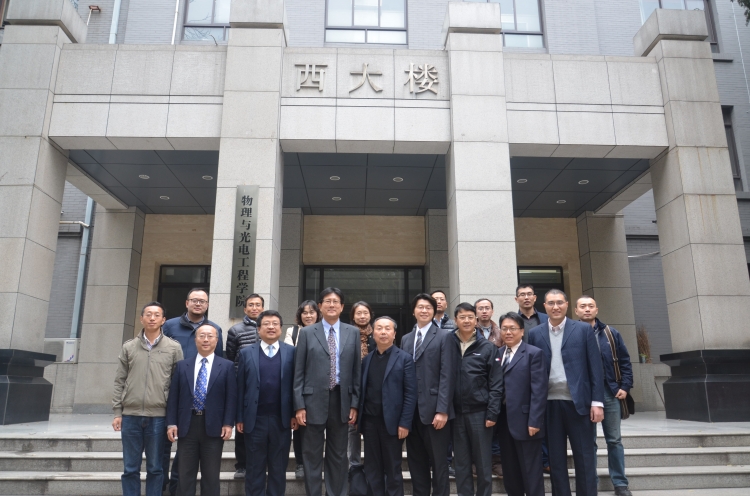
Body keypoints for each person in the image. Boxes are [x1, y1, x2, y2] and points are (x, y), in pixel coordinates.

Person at [527, 289, 604, 496]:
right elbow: (531, 372)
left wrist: (597, 402)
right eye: (551, 303)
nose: (556, 307)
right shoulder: (535, 333)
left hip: (579, 404)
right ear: (544, 306)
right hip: (549, 404)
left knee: (584, 457)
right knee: (556, 459)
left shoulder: (583, 330)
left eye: (559, 302)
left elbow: (595, 367)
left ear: (567, 305)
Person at [293, 287, 362, 496]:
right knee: (312, 455)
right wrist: (299, 406)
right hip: (312, 401)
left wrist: (355, 404)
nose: (332, 305)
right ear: (320, 306)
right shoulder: (307, 332)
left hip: (342, 399)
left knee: (339, 455)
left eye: (336, 302)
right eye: (327, 301)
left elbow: (356, 371)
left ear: (342, 307)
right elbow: (298, 371)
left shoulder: (353, 332)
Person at [112, 302, 183, 496]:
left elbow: (178, 385)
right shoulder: (129, 347)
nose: (152, 318)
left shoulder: (174, 348)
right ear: (141, 318)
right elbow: (119, 380)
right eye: (148, 314)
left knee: (155, 468)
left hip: (159, 417)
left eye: (157, 315)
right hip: (131, 416)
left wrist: (173, 418)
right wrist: (118, 412)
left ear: (163, 320)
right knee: (130, 468)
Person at [162, 288, 223, 494]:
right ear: (187, 302)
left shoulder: (214, 329)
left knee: (207, 470)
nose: (198, 304)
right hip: (178, 394)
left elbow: (218, 365)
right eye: (194, 300)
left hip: (207, 409)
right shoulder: (170, 326)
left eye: (202, 301)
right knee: (180, 463)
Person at [166, 324, 236, 496]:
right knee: (185, 474)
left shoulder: (226, 366)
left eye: (210, 336)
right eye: (202, 336)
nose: (206, 339)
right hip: (187, 425)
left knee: (211, 476)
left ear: (216, 340)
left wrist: (228, 423)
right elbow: (174, 396)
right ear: (195, 339)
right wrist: (171, 423)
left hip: (214, 426)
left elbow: (231, 397)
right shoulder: (182, 365)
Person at [575, 296, 634, 496]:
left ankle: (620, 483)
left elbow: (624, 360)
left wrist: (625, 386)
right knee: (587, 442)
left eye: (590, 306)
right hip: (584, 394)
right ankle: (590, 481)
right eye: (583, 306)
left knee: (614, 440)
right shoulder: (572, 333)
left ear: (596, 310)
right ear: (576, 311)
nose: (587, 309)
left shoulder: (610, 333)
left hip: (610, 392)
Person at [400, 293, 456, 496]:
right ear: (413, 311)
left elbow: (447, 375)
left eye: (428, 308)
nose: (424, 311)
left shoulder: (444, 336)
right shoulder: (406, 339)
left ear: (434, 311)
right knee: (416, 463)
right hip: (411, 412)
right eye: (420, 307)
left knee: (439, 463)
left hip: (435, 412)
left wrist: (442, 410)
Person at [237, 310, 298, 496]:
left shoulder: (292, 352)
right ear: (258, 329)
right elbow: (240, 387)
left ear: (281, 328)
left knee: (278, 468)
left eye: (275, 324)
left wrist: (294, 413)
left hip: (282, 420)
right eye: (266, 324)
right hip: (255, 420)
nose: (271, 327)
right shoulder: (246, 353)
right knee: (254, 467)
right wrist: (239, 417)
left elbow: (296, 385)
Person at [359, 316, 416, 496]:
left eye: (387, 328)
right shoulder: (367, 360)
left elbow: (410, 394)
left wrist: (405, 423)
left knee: (393, 469)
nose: (383, 332)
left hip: (393, 424)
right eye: (379, 328)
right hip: (370, 423)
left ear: (394, 334)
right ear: (373, 333)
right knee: (372, 468)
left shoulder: (405, 358)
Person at [451, 302, 504, 496]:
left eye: (470, 317)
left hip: (480, 414)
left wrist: (492, 413)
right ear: (455, 320)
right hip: (455, 414)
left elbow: (496, 384)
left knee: (483, 463)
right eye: (462, 317)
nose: (466, 320)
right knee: (461, 463)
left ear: (476, 320)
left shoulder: (488, 347)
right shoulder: (447, 344)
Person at [496, 312, 547, 496]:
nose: (508, 332)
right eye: (504, 328)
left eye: (512, 328)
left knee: (531, 471)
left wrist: (535, 420)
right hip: (503, 421)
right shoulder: (498, 354)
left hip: (527, 422)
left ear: (522, 331)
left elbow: (539, 391)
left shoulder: (534, 353)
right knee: (510, 470)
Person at [225, 293, 264, 480]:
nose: (254, 308)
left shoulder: (268, 327)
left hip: (265, 385)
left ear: (262, 308)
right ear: (245, 308)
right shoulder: (235, 330)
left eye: (258, 305)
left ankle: (261, 463)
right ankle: (242, 465)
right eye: (251, 305)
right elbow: (231, 357)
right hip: (243, 385)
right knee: (242, 426)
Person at [284, 300, 322, 479]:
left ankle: (315, 463)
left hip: (320, 387)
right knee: (300, 426)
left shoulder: (325, 330)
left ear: (318, 314)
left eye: (312, 312)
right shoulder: (293, 332)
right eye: (305, 312)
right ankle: (300, 463)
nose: (308, 315)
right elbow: (289, 355)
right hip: (298, 383)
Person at [474, 298, 504, 477]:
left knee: (495, 427)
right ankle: (477, 462)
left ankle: (496, 462)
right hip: (475, 387)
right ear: (476, 312)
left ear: (492, 311)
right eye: (480, 308)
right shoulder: (469, 332)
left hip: (496, 384)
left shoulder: (501, 333)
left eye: (487, 308)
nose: (484, 311)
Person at [348, 301, 376, 470]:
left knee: (371, 426)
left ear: (370, 315)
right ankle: (354, 464)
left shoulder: (377, 333)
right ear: (353, 316)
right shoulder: (347, 334)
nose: (362, 316)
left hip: (372, 387)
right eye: (358, 313)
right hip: (352, 386)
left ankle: (372, 465)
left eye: (365, 313)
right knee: (352, 426)